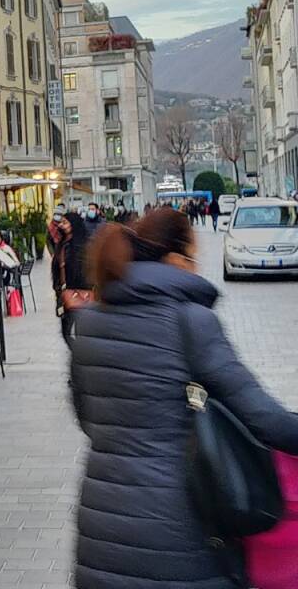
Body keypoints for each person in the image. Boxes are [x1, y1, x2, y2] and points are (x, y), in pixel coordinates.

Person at [71, 208, 298, 588]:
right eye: (193, 258)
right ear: (175, 259)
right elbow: (264, 418)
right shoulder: (189, 320)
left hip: (102, 530)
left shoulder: (90, 321)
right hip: (181, 534)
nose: (196, 269)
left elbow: (87, 417)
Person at [52, 211, 90, 347]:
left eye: (65, 222)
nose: (62, 225)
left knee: (82, 332)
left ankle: (82, 357)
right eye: (61, 223)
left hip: (82, 293)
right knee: (66, 332)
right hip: (66, 293)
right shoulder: (62, 244)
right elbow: (57, 267)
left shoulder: (84, 245)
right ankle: (79, 354)